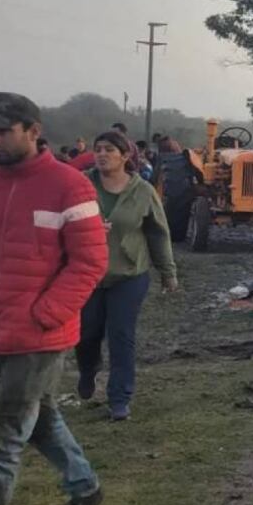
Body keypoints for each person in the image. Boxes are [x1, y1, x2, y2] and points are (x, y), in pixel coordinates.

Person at [0, 93, 108, 505]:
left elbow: (89, 261)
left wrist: (46, 313)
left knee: (0, 439)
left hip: (39, 338)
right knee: (40, 420)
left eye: (4, 130)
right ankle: (85, 485)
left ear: (33, 131)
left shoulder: (70, 186)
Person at [76, 131, 177, 421]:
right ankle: (88, 370)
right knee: (86, 334)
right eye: (98, 149)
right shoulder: (81, 184)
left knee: (121, 336)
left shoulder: (143, 190)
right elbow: (61, 220)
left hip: (130, 275)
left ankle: (120, 398)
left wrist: (168, 272)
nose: (102, 154)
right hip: (87, 275)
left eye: (109, 149)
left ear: (125, 156)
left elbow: (159, 233)